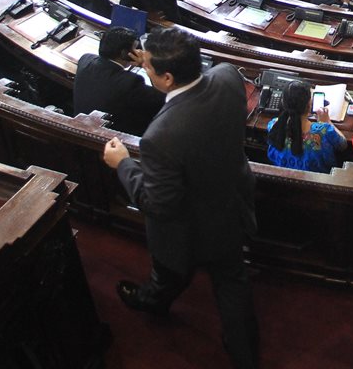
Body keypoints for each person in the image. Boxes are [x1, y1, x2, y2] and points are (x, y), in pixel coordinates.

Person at [102, 29, 259, 368]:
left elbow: (157, 203)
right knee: (233, 283)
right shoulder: (227, 75)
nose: (144, 69)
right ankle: (246, 356)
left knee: (168, 277)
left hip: (187, 230)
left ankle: (151, 303)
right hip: (230, 205)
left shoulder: (159, 137)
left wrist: (123, 165)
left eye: (148, 67)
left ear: (167, 77)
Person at [74, 26, 164, 135]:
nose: (139, 51)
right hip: (111, 136)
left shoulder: (85, 59)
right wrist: (146, 66)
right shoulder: (130, 82)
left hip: (80, 127)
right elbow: (162, 100)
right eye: (135, 48)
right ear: (124, 54)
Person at [266, 80, 346, 173]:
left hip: (282, 182)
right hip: (319, 184)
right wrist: (327, 121)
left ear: (283, 103)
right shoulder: (323, 130)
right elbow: (343, 144)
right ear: (309, 105)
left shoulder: (273, 125)